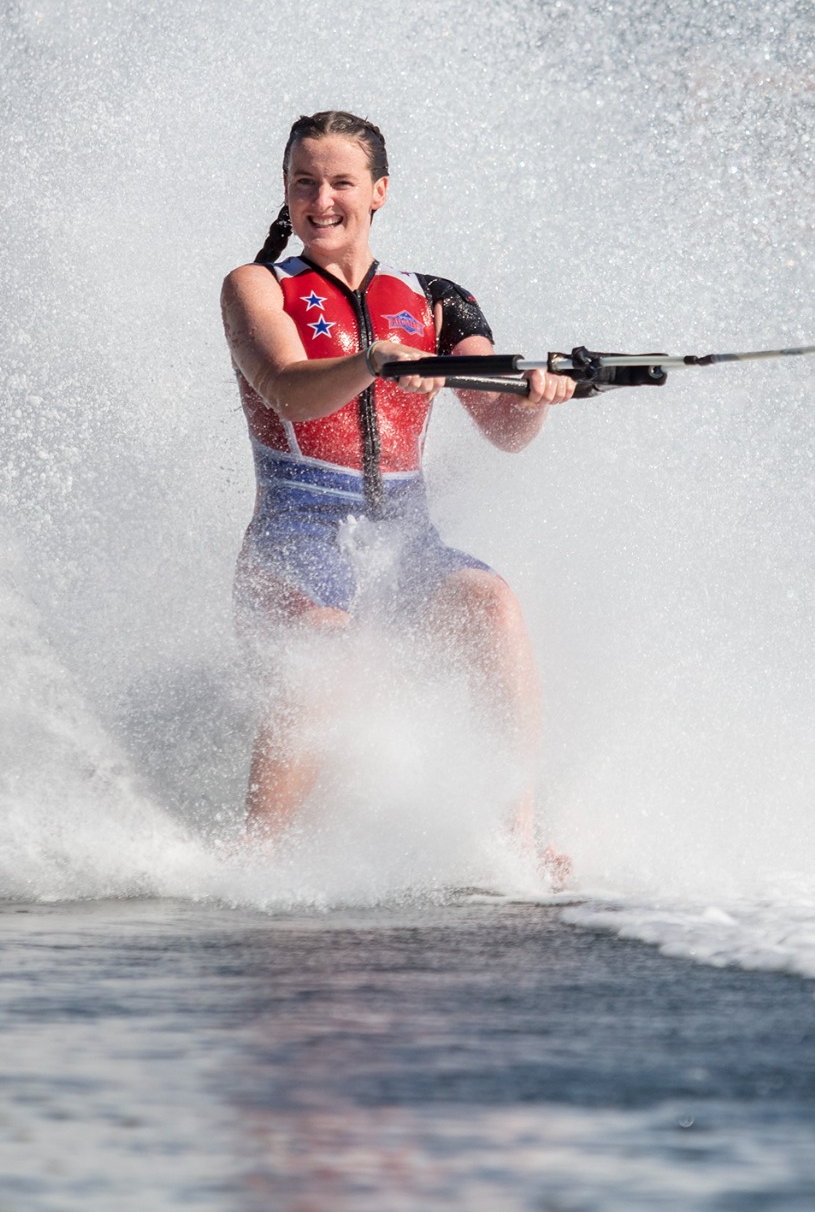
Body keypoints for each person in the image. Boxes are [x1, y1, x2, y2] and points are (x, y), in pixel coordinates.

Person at [221, 110, 574, 876]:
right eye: (304, 183)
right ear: (285, 191)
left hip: (406, 543)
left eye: (341, 182)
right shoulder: (256, 287)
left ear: (378, 191)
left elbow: (503, 426)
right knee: (329, 640)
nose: (322, 200)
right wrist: (374, 362)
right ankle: (252, 856)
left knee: (494, 605)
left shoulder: (439, 300)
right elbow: (286, 388)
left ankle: (513, 842)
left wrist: (535, 400)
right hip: (297, 538)